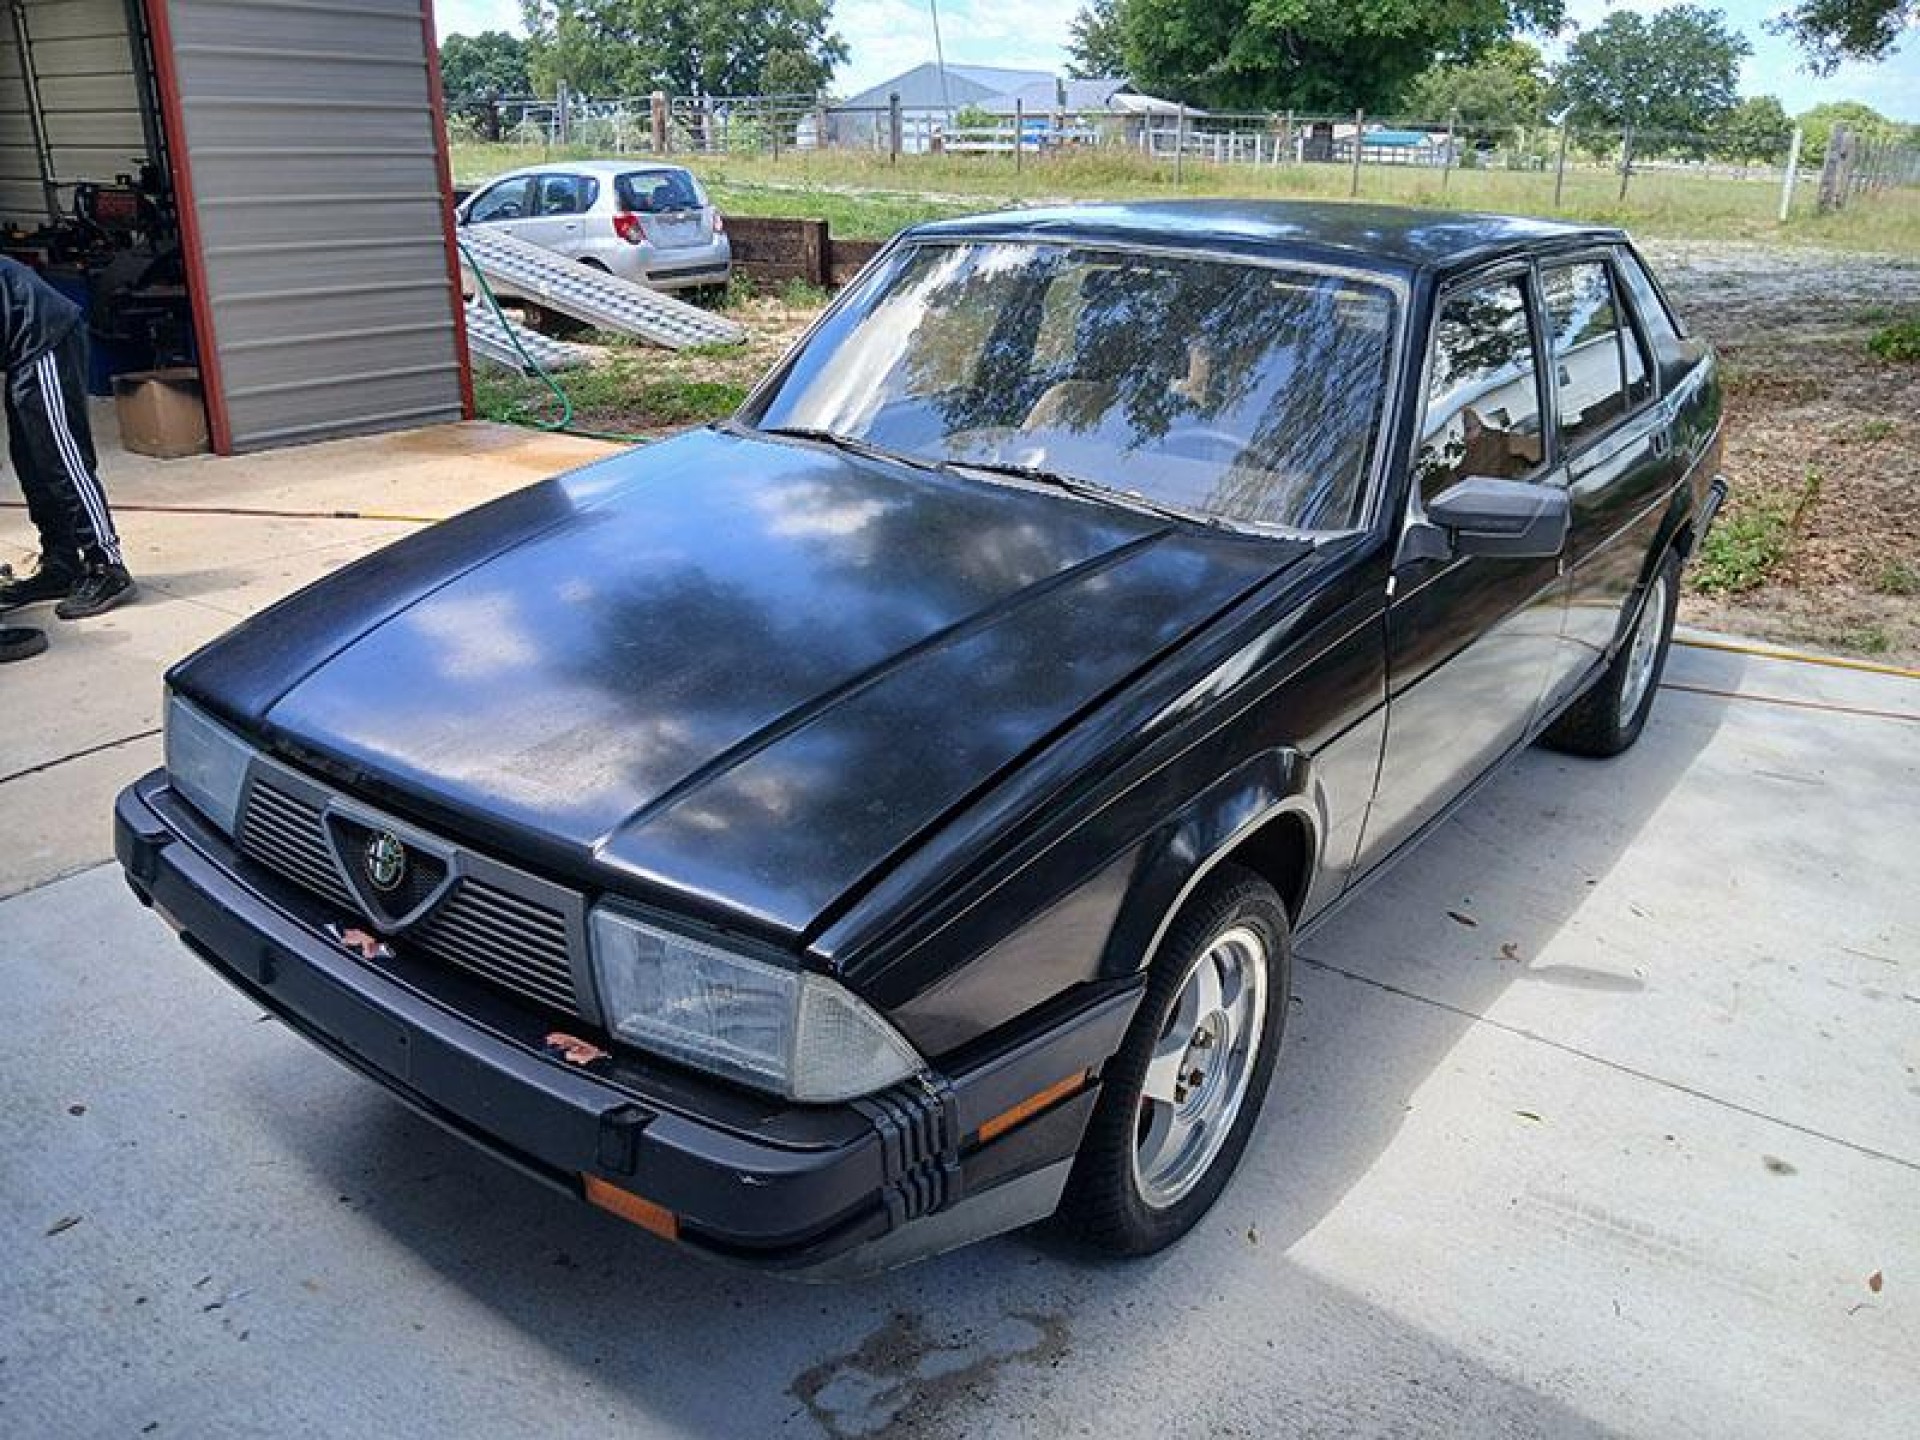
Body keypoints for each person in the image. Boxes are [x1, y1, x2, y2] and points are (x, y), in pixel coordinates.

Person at [0, 255, 135, 619]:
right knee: (30, 461)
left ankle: (107, 566)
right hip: (17, 346)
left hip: (41, 335)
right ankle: (62, 564)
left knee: (60, 456)